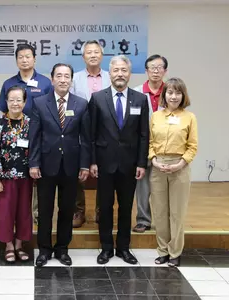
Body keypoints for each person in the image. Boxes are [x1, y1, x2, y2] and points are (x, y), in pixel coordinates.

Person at [89, 55, 149, 265]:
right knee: (105, 207)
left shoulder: (140, 99)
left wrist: (141, 163)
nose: (120, 74)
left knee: (126, 207)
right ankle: (106, 248)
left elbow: (144, 134)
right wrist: (93, 161)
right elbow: (92, 134)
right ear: (110, 73)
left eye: (124, 70)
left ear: (129, 73)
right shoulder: (97, 98)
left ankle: (124, 248)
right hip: (104, 164)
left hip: (130, 164)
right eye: (116, 70)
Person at [30, 63, 90, 267]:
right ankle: (44, 249)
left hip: (71, 166)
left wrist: (84, 165)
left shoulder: (81, 104)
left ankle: (62, 248)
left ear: (71, 80)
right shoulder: (39, 103)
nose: (63, 79)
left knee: (67, 209)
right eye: (59, 76)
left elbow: (86, 138)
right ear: (52, 79)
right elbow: (34, 137)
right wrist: (34, 163)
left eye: (67, 76)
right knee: (45, 210)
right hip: (46, 165)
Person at [0, 44, 52, 223]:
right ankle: (16, 213)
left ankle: (36, 213)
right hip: (14, 139)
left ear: (34, 59)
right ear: (16, 60)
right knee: (16, 177)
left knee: (37, 176)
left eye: (28, 56)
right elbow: (2, 112)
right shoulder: (9, 83)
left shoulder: (45, 83)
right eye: (20, 57)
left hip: (40, 136)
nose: (24, 60)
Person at [149, 78, 197, 267]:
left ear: (183, 95)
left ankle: (175, 252)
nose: (174, 96)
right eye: (170, 92)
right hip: (158, 166)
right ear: (164, 95)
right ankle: (162, 251)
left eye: (178, 93)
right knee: (160, 212)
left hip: (180, 167)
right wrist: (153, 160)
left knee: (177, 212)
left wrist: (180, 164)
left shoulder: (189, 117)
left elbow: (192, 146)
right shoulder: (155, 116)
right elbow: (150, 143)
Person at [0, 86, 33, 263]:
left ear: (25, 102)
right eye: (11, 100)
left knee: (23, 211)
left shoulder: (31, 123)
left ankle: (19, 245)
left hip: (26, 176)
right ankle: (8, 245)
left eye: (19, 100)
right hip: (5, 177)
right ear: (6, 102)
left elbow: (36, 149)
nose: (15, 103)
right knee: (6, 212)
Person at [71, 40, 111, 227]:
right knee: (78, 173)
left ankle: (101, 210)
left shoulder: (111, 77)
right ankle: (78, 211)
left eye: (96, 52)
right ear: (83, 56)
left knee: (103, 173)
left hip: (105, 132)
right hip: (80, 131)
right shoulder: (75, 78)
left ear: (102, 56)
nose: (93, 55)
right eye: (89, 52)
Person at [133, 54, 168, 233]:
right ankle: (143, 220)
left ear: (165, 71)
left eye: (159, 67)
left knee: (162, 186)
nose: (156, 71)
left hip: (165, 147)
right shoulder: (137, 92)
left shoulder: (171, 91)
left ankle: (163, 221)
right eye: (152, 68)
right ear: (146, 71)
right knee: (143, 184)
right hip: (143, 145)